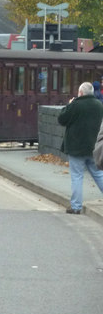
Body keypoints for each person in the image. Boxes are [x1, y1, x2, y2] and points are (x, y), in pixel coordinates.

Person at [58, 81, 103, 214]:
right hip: (93, 148)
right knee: (99, 175)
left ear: (81, 93)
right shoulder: (99, 105)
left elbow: (62, 119)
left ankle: (76, 207)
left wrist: (70, 104)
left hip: (76, 148)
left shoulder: (75, 105)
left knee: (77, 177)